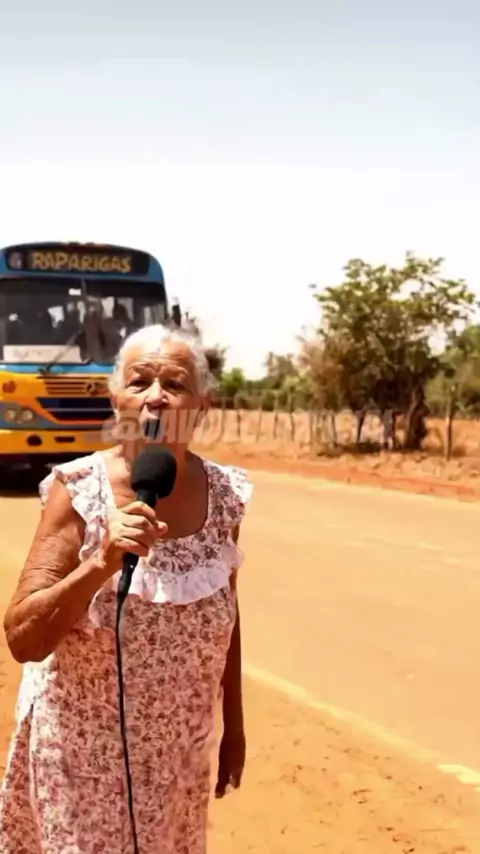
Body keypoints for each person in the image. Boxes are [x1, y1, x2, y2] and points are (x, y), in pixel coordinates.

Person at [0, 324, 253, 854]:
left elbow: (227, 616)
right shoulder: (78, 492)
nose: (156, 397)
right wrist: (101, 562)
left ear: (202, 406)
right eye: (140, 381)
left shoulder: (225, 497)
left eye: (175, 384)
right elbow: (23, 637)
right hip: (81, 759)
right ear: (115, 399)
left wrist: (233, 727)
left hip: (177, 758)